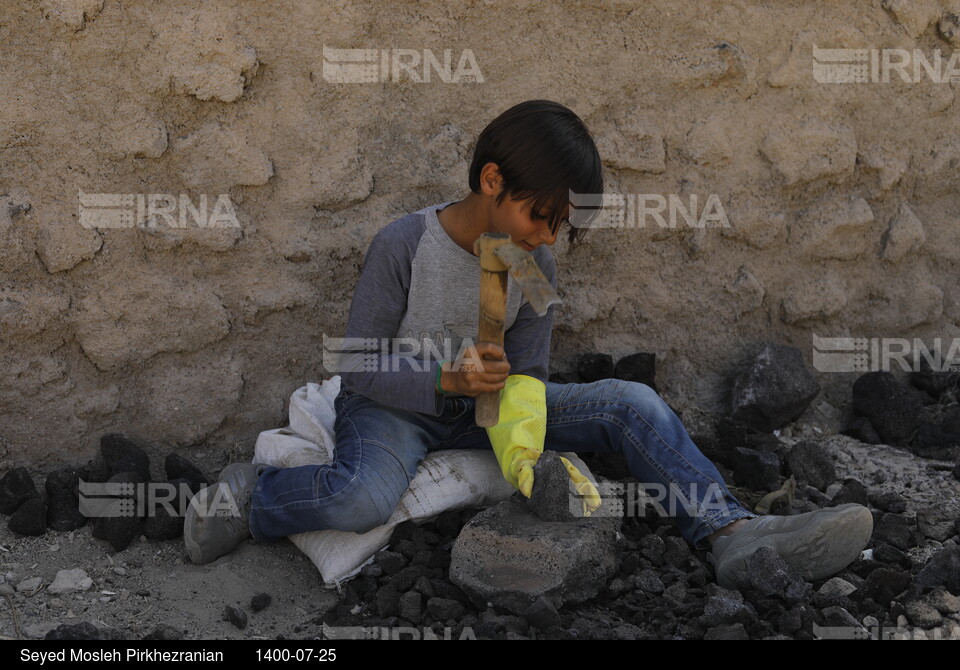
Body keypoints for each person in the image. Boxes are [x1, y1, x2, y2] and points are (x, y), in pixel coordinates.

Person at [184, 100, 873, 590]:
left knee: (630, 404)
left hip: (486, 408)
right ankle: (256, 497)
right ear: (491, 182)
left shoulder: (535, 263)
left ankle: (730, 532)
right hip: (396, 407)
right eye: (540, 216)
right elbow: (359, 368)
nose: (548, 237)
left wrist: (521, 431)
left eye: (559, 225)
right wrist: (447, 384)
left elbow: (533, 374)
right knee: (363, 499)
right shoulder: (406, 244)